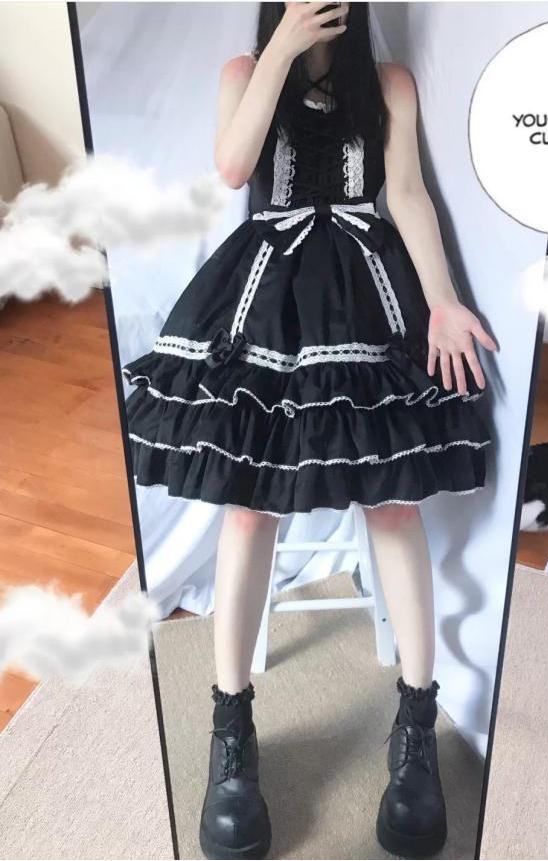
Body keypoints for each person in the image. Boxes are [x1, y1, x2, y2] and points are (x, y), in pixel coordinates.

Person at [122, 3, 497, 858]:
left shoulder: (389, 83)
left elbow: (408, 195)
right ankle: (231, 730)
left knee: (394, 501)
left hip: (368, 290)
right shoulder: (241, 73)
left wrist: (442, 301)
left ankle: (416, 724)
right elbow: (233, 167)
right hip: (267, 298)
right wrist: (283, 47)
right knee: (248, 505)